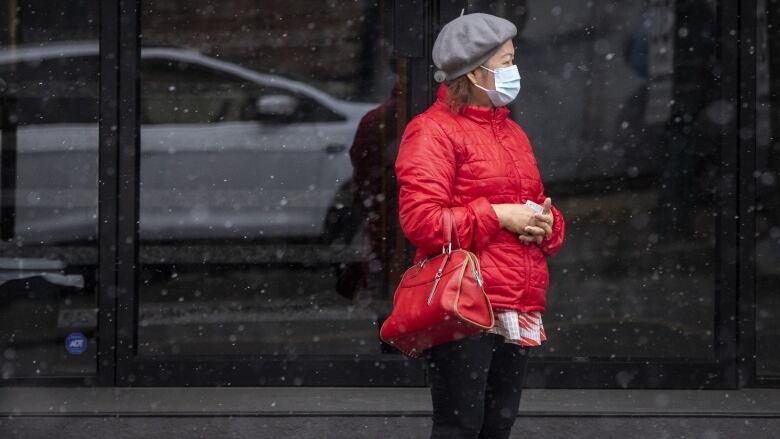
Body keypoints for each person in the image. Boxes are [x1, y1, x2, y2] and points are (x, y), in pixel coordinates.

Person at [394, 12, 565, 439]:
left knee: (497, 425)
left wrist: (547, 224)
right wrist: (500, 215)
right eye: (505, 62)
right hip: (464, 303)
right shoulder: (431, 131)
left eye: (512, 60)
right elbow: (422, 223)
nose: (513, 71)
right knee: (459, 426)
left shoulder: (513, 133)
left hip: (516, 301)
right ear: (473, 73)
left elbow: (537, 206)